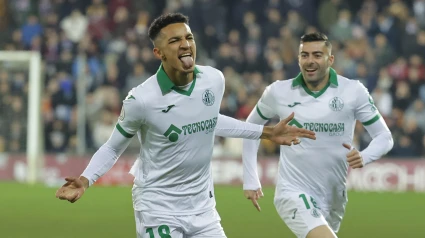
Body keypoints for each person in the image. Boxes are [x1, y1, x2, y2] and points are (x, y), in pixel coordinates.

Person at [55, 13, 316, 238]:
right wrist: (86, 180)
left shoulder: (214, 80)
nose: (185, 45)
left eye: (188, 38)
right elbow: (113, 148)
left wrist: (267, 132)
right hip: (158, 207)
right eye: (174, 40)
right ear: (158, 53)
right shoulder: (141, 100)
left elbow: (208, 121)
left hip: (202, 207)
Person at [242, 32, 394, 238]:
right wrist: (251, 178)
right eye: (304, 55)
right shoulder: (278, 92)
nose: (310, 61)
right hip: (294, 191)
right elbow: (250, 128)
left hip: (334, 196)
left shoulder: (353, 91)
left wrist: (365, 156)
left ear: (330, 59)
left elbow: (385, 137)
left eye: (317, 55)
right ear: (298, 59)